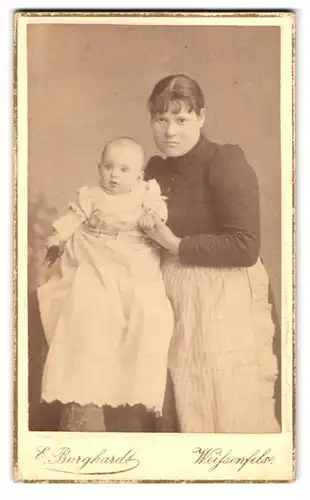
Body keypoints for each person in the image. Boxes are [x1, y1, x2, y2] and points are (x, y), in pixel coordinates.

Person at [143, 74, 281, 433]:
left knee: (221, 409)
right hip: (172, 298)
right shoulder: (154, 169)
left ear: (201, 117)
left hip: (224, 299)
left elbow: (245, 246)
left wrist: (174, 244)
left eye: (181, 119)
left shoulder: (225, 161)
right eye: (161, 120)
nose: (170, 131)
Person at [37, 137, 174, 432]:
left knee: (145, 308)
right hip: (96, 254)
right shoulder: (92, 195)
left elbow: (159, 215)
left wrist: (153, 220)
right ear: (98, 168)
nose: (114, 175)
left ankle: (130, 394)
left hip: (133, 257)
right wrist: (57, 238)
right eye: (108, 167)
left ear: (139, 176)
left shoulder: (145, 194)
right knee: (90, 301)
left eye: (124, 169)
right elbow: (72, 220)